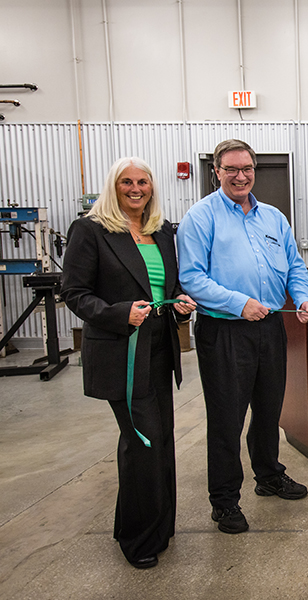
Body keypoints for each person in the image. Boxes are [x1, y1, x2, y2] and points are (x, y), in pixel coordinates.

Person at [61, 157, 196, 569]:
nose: (136, 189)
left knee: (161, 442)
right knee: (143, 444)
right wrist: (120, 314)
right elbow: (75, 293)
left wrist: (181, 308)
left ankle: (157, 527)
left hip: (158, 350)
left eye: (143, 182)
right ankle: (137, 540)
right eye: (126, 182)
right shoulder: (90, 230)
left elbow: (167, 287)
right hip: (122, 353)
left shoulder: (161, 231)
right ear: (113, 186)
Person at [177, 139, 308, 534]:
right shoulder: (200, 217)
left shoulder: (273, 217)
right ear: (217, 173)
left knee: (270, 408)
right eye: (232, 169)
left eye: (247, 169)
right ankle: (224, 501)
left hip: (271, 326)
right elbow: (191, 278)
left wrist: (303, 299)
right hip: (224, 331)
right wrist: (240, 304)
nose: (241, 176)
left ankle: (269, 474)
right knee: (227, 419)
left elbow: (294, 265)